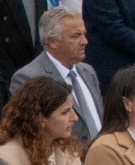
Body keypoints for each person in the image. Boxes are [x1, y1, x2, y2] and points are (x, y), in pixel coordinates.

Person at [14, 7, 106, 142]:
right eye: (76, 36)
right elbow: (31, 133)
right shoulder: (28, 78)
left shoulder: (88, 72)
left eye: (84, 34)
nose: (85, 41)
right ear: (52, 41)